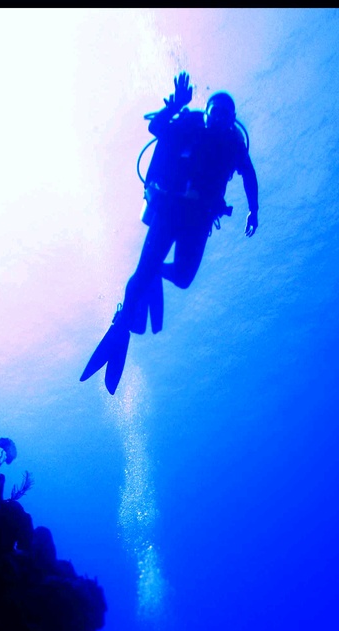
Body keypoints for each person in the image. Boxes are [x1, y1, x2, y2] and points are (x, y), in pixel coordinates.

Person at [81, 72, 259, 394]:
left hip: (199, 221)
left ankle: (151, 280)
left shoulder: (234, 144)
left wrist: (254, 209)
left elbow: (249, 175)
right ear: (207, 113)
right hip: (168, 211)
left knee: (183, 278)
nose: (219, 118)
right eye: (214, 111)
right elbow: (156, 129)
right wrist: (174, 105)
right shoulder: (190, 126)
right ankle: (121, 322)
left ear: (232, 119)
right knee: (143, 270)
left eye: (225, 114)